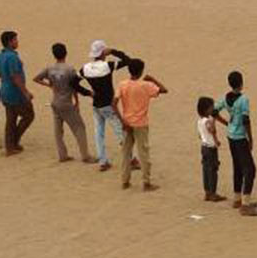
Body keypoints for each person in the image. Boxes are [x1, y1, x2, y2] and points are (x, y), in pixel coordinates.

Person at [34, 42, 95, 164]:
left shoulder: (49, 68)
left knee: (58, 130)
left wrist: (49, 86)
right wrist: (77, 102)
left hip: (55, 101)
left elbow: (36, 78)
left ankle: (62, 155)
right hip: (66, 102)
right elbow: (74, 87)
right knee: (79, 128)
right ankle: (85, 156)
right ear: (65, 53)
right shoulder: (70, 69)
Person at [77, 41, 130, 173]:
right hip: (108, 105)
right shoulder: (107, 66)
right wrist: (113, 51)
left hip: (96, 104)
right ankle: (132, 159)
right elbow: (128, 60)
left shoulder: (85, 68)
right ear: (103, 52)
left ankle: (103, 161)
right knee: (120, 132)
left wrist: (87, 93)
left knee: (98, 134)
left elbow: (73, 82)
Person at [114, 57, 166, 187]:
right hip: (141, 123)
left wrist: (122, 121)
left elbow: (113, 104)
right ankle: (146, 182)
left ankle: (125, 181)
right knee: (143, 153)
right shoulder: (146, 85)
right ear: (141, 71)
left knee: (126, 153)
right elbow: (164, 90)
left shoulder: (122, 84)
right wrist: (152, 79)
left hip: (127, 122)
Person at [216, 71, 257, 214]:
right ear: (241, 83)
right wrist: (251, 138)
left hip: (231, 136)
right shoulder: (243, 100)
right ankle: (245, 204)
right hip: (241, 137)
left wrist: (226, 123)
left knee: (237, 166)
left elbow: (214, 110)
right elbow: (245, 120)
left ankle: (237, 198)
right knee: (250, 169)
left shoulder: (225, 97)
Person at [0, 31, 32, 155]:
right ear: (10, 42)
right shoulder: (12, 57)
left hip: (5, 91)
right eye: (15, 40)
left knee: (11, 119)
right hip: (15, 93)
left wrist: (2, 76)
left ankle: (10, 146)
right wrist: (25, 92)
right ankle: (13, 142)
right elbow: (15, 77)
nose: (17, 42)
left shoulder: (1, 55)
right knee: (29, 115)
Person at [197, 96, 225, 201]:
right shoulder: (208, 121)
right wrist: (216, 140)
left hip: (204, 146)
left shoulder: (199, 121)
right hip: (211, 148)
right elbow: (212, 130)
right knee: (213, 170)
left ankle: (207, 192)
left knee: (206, 169)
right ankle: (213, 193)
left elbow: (199, 135)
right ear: (206, 109)